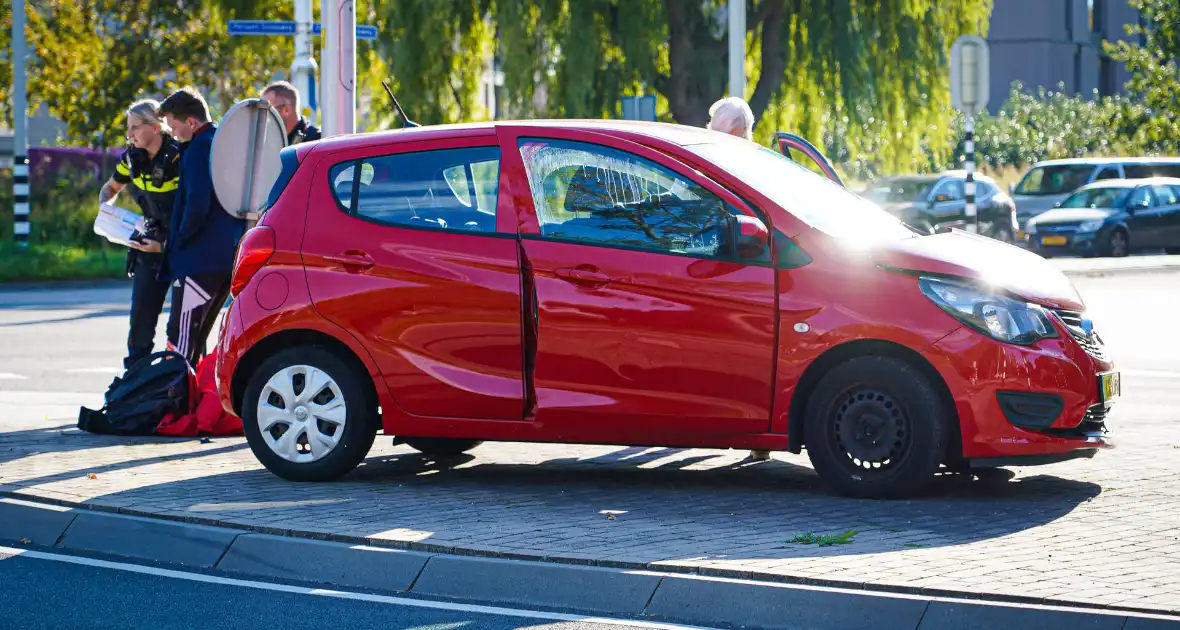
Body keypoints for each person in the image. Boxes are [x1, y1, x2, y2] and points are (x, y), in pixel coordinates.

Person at [158, 86, 247, 367]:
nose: (172, 133)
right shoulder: (223, 143)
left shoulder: (198, 149)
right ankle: (195, 392)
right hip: (224, 259)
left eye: (174, 126)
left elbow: (197, 202)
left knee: (181, 340)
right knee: (199, 338)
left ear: (191, 121)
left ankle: (176, 391)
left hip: (197, 260)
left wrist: (180, 239)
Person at [707, 96, 769, 462]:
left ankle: (753, 433)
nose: (708, 132)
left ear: (733, 130)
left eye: (713, 126)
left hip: (743, 274)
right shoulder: (754, 161)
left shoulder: (739, 165)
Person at [99, 100, 182, 370]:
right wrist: (106, 212)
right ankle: (135, 382)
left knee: (181, 332)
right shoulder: (130, 158)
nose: (130, 134)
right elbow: (110, 188)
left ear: (155, 128)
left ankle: (184, 384)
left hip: (182, 248)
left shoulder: (180, 157)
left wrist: (165, 244)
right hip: (147, 246)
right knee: (140, 326)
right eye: (128, 128)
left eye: (135, 127)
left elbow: (197, 212)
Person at [260, 80, 321, 145]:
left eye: (266, 111)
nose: (262, 118)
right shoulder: (268, 143)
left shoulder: (317, 141)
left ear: (286, 110)